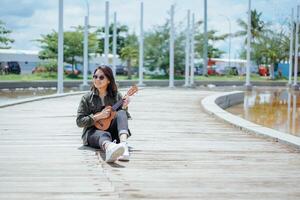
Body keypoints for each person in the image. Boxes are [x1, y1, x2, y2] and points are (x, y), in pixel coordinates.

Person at [76, 65, 131, 163]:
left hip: (113, 132)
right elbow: (79, 122)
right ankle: (109, 148)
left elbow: (123, 118)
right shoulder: (87, 98)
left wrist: (124, 107)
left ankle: (124, 145)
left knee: (121, 112)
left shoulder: (116, 96)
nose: (97, 79)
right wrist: (98, 116)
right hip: (93, 133)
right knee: (103, 134)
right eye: (95, 76)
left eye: (101, 77)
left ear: (109, 80)